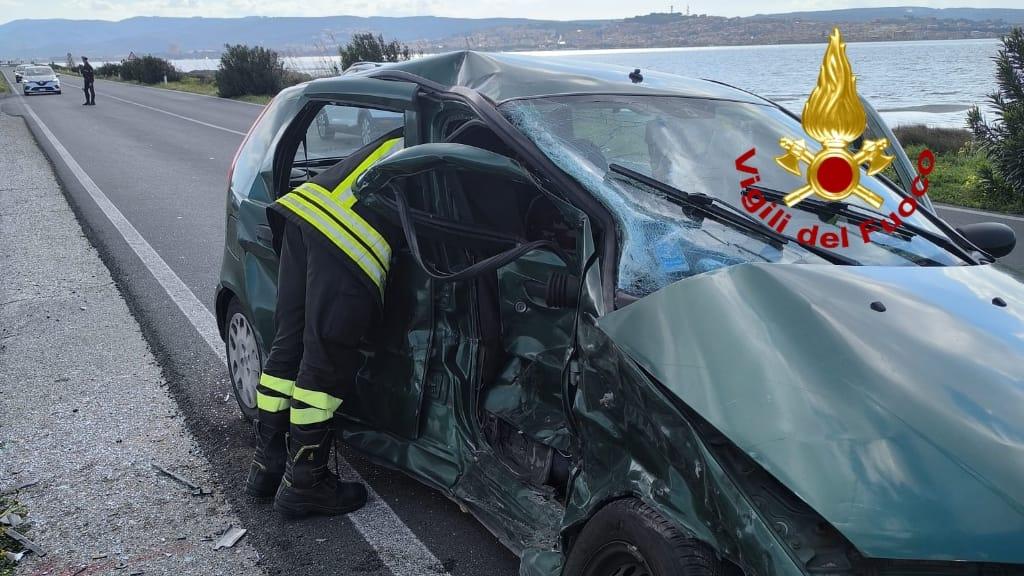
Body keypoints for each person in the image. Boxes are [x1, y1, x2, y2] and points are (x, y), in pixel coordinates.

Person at [246, 127, 404, 518]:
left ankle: (267, 465)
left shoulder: (407, 130)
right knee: (324, 359)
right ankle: (306, 483)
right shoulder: (472, 133)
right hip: (348, 236)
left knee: (289, 345)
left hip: (307, 210)